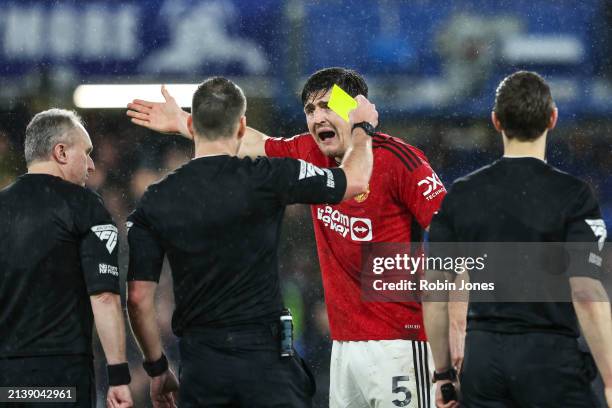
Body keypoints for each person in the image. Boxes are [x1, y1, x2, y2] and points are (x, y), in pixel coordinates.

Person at [126, 67, 451, 407]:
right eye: (310, 110)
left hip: (398, 343)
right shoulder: (309, 153)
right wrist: (186, 123)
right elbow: (250, 141)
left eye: (328, 106)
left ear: (357, 110)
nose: (317, 117)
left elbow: (454, 236)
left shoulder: (400, 160)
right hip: (343, 347)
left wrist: (454, 337)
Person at [424, 71, 612, 407]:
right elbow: (585, 290)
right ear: (552, 118)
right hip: (549, 359)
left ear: (496, 121)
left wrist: (443, 375)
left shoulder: (462, 194)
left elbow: (435, 289)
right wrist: (611, 380)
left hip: (482, 360)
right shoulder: (573, 195)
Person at [0, 109, 133, 407]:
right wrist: (119, 375)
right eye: (85, 153)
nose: (91, 164)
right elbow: (104, 297)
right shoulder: (84, 205)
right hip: (60, 378)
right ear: (60, 152)